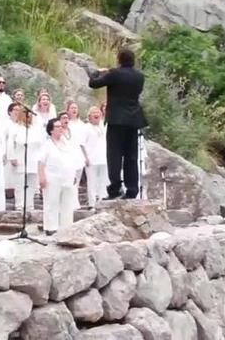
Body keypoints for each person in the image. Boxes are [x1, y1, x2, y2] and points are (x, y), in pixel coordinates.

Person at [88, 47, 147, 200]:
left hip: (116, 119)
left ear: (119, 59)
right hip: (133, 119)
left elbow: (93, 84)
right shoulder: (139, 76)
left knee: (114, 155)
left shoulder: (114, 74)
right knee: (131, 156)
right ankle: (132, 189)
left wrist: (98, 72)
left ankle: (115, 188)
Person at [39, 118, 79, 235]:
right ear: (51, 130)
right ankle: (51, 228)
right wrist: (42, 177)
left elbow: (72, 159)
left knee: (67, 203)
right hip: (52, 177)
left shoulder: (66, 143)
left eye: (61, 126)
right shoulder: (47, 145)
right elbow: (41, 162)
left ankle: (66, 227)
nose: (60, 128)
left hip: (67, 177)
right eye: (57, 127)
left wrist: (74, 174)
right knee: (51, 202)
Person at [82, 106, 108, 208]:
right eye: (93, 112)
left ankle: (102, 202)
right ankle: (92, 204)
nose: (96, 114)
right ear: (89, 116)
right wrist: (86, 158)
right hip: (91, 159)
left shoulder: (103, 126)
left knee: (103, 182)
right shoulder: (86, 127)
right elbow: (81, 144)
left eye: (98, 112)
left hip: (104, 159)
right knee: (92, 183)